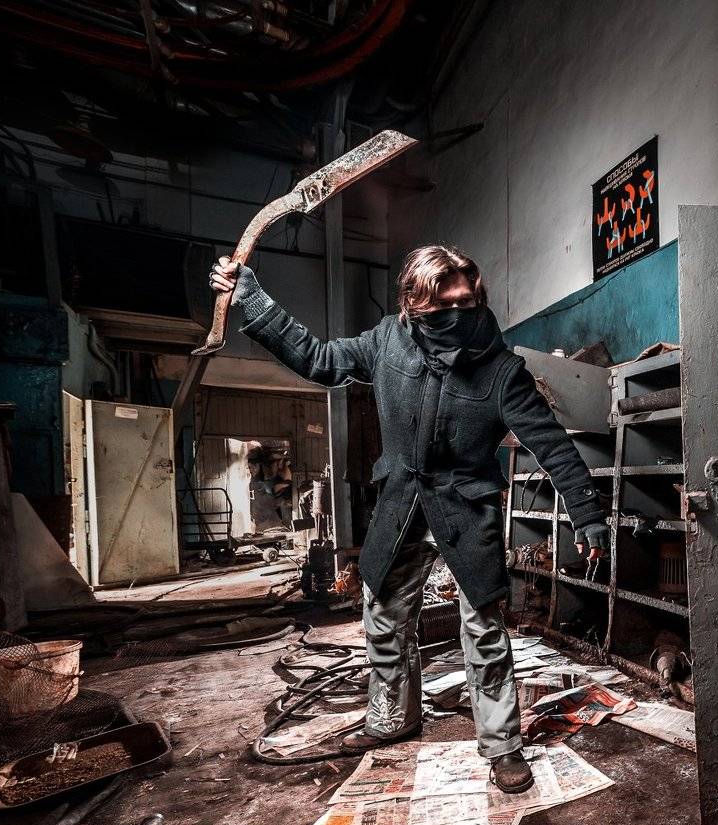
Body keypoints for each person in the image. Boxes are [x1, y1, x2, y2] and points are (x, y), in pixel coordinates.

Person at [209, 245, 609, 794]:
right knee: (383, 614)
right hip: (400, 504)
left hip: (467, 510)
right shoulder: (387, 342)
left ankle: (502, 745)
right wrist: (251, 298)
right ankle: (392, 718)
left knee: (484, 630)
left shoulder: (502, 372)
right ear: (413, 306)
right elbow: (318, 359)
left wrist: (588, 515)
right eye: (444, 308)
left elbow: (552, 445)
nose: (459, 316)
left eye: (468, 304)